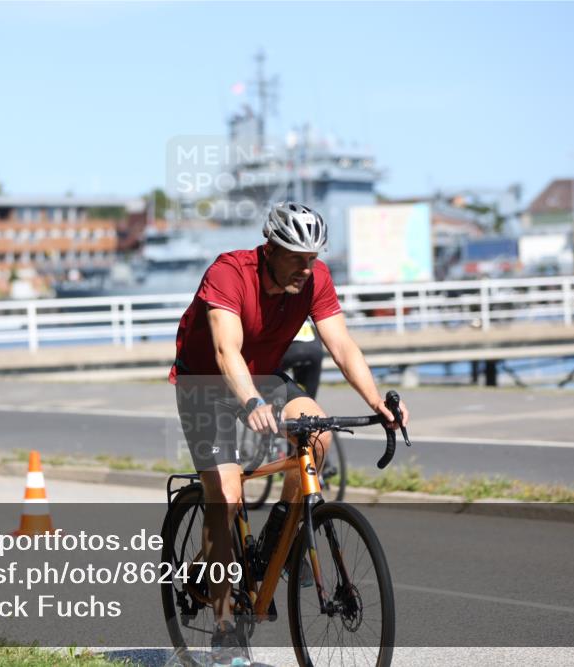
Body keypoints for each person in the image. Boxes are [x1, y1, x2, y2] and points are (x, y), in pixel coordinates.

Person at [170, 201, 410, 666]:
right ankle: (224, 627)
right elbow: (225, 350)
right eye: (297, 257)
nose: (307, 267)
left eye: (313, 257)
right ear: (271, 249)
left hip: (262, 376)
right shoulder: (229, 273)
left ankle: (279, 539)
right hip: (206, 383)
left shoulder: (314, 280)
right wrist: (250, 403)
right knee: (226, 494)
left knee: (318, 434)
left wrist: (377, 403)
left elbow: (341, 345)